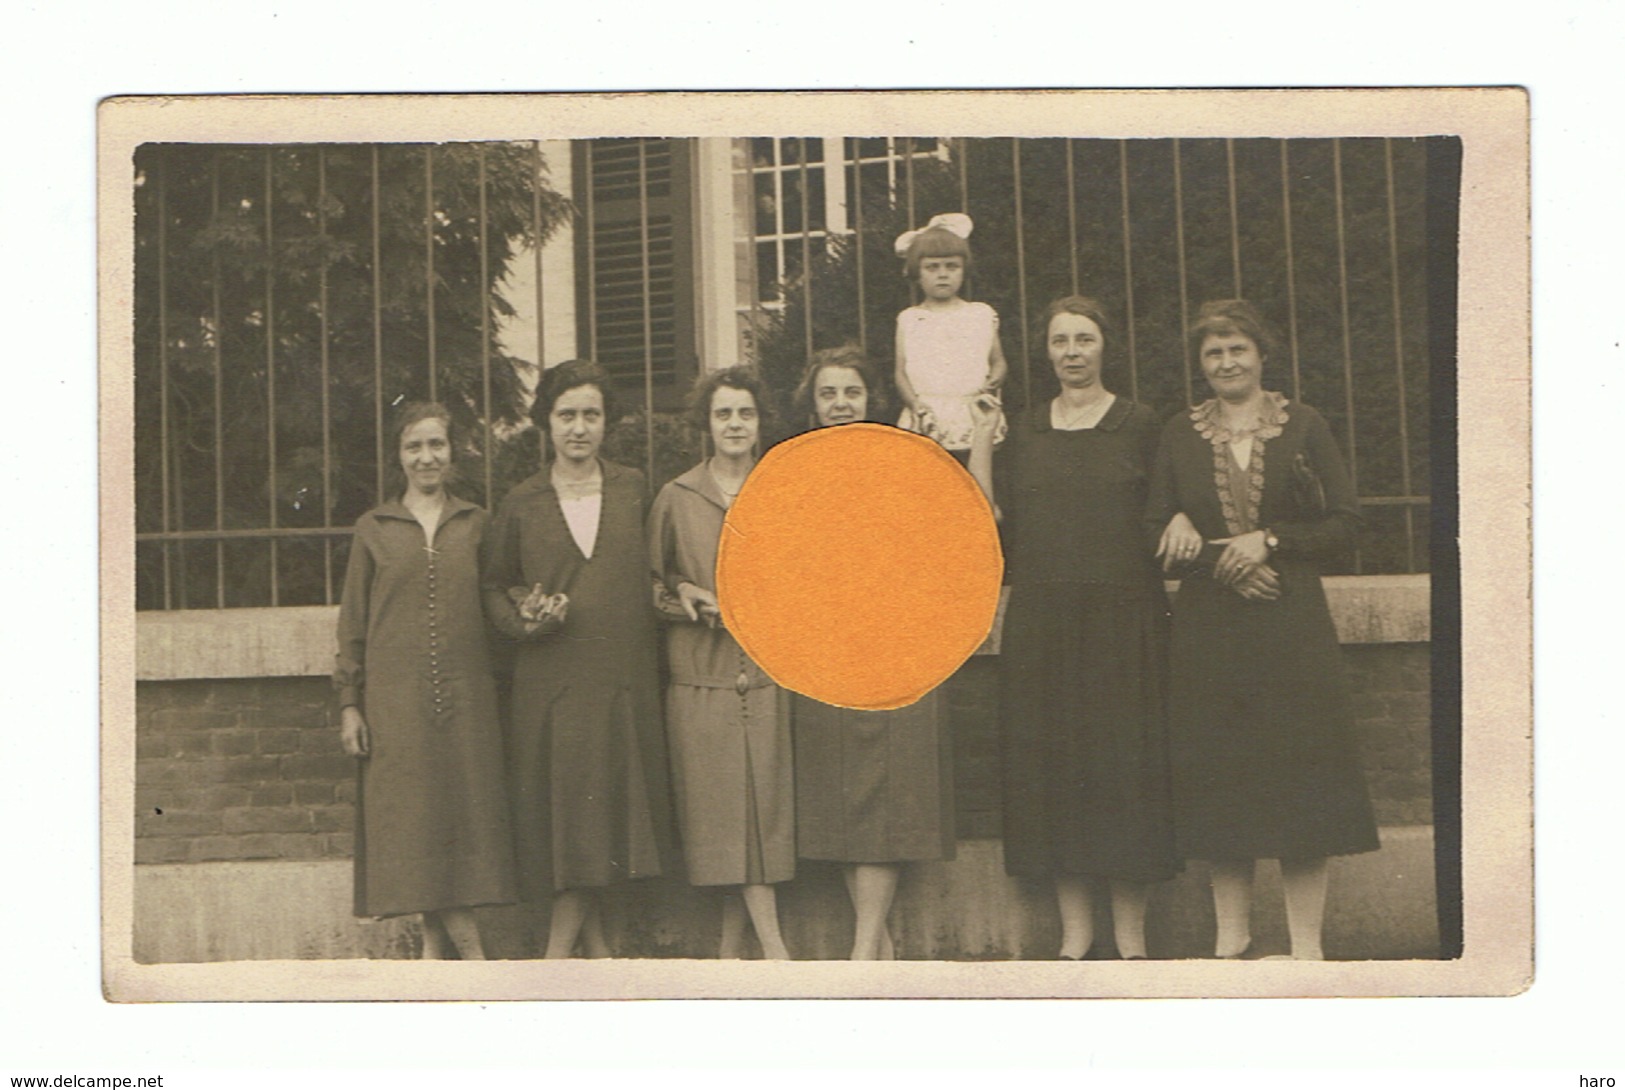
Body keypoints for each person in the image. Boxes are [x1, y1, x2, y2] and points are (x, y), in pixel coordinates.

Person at [1147, 299, 1380, 961]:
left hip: (1288, 623)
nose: (1226, 362)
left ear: (1260, 354)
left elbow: (1346, 523)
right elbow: (1152, 523)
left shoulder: (1302, 426)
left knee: (1300, 777)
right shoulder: (1178, 433)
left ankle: (1306, 948)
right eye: (1213, 353)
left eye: (1236, 349)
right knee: (1225, 781)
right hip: (1210, 629)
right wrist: (1196, 539)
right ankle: (1232, 943)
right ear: (1201, 365)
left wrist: (1268, 540)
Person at [968, 297, 1178, 961]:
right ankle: (1074, 937)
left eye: (1083, 338)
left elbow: (1171, 505)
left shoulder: (1141, 424)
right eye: (1059, 340)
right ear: (1046, 351)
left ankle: (1132, 940)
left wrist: (1183, 521)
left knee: (1124, 772)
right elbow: (982, 514)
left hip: (1123, 621)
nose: (1071, 351)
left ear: (1103, 346)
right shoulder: (1025, 430)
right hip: (1044, 623)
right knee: (1054, 770)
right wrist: (978, 438)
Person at [483, 359, 677, 959]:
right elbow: (494, 585)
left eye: (591, 414)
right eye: (566, 414)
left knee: (609, 822)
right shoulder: (520, 502)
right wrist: (524, 616)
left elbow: (655, 572)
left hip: (622, 680)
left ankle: (595, 960)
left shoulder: (632, 487)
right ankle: (562, 959)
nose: (579, 428)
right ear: (546, 422)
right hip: (556, 685)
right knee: (574, 825)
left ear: (606, 423)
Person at [788, 345, 956, 960]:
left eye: (851, 393)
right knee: (841, 803)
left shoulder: (904, 467)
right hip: (822, 657)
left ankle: (862, 956)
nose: (840, 405)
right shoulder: (792, 475)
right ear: (812, 406)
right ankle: (877, 947)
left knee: (883, 803)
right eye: (828, 394)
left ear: (872, 401)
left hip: (894, 653)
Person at [334, 402, 517, 959]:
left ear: (452, 452)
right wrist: (350, 703)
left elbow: (498, 603)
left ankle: (434, 963)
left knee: (457, 825)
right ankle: (476, 963)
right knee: (415, 830)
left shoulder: (476, 523)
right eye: (414, 447)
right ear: (399, 456)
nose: (426, 457)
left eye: (436, 445)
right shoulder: (375, 529)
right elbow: (353, 624)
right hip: (395, 708)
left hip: (465, 704)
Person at [649, 366, 794, 959]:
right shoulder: (677, 497)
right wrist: (685, 598)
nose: (735, 424)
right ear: (706, 425)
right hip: (701, 681)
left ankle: (732, 955)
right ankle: (777, 953)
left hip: (766, 676)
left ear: (761, 423)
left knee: (759, 819)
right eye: (723, 413)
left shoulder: (783, 489)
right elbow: (652, 588)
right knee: (727, 822)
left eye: (746, 413)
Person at [891, 213, 1009, 457]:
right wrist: (915, 404)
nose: (942, 274)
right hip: (929, 414)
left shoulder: (980, 314)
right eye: (932, 267)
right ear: (917, 272)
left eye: (951, 266)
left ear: (964, 270)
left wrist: (993, 380)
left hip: (972, 411)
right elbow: (900, 371)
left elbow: (998, 361)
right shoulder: (911, 319)